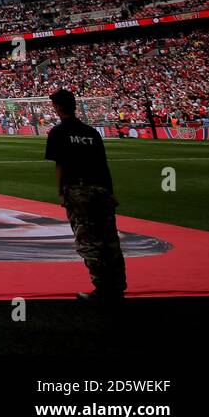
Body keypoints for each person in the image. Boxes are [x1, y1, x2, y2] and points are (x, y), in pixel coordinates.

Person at [45, 88, 126, 303]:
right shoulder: (92, 132)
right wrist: (110, 192)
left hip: (78, 191)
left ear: (58, 108)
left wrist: (61, 193)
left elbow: (60, 165)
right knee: (110, 239)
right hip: (101, 189)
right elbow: (103, 165)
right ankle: (117, 287)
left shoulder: (58, 132)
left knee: (88, 240)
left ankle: (103, 290)